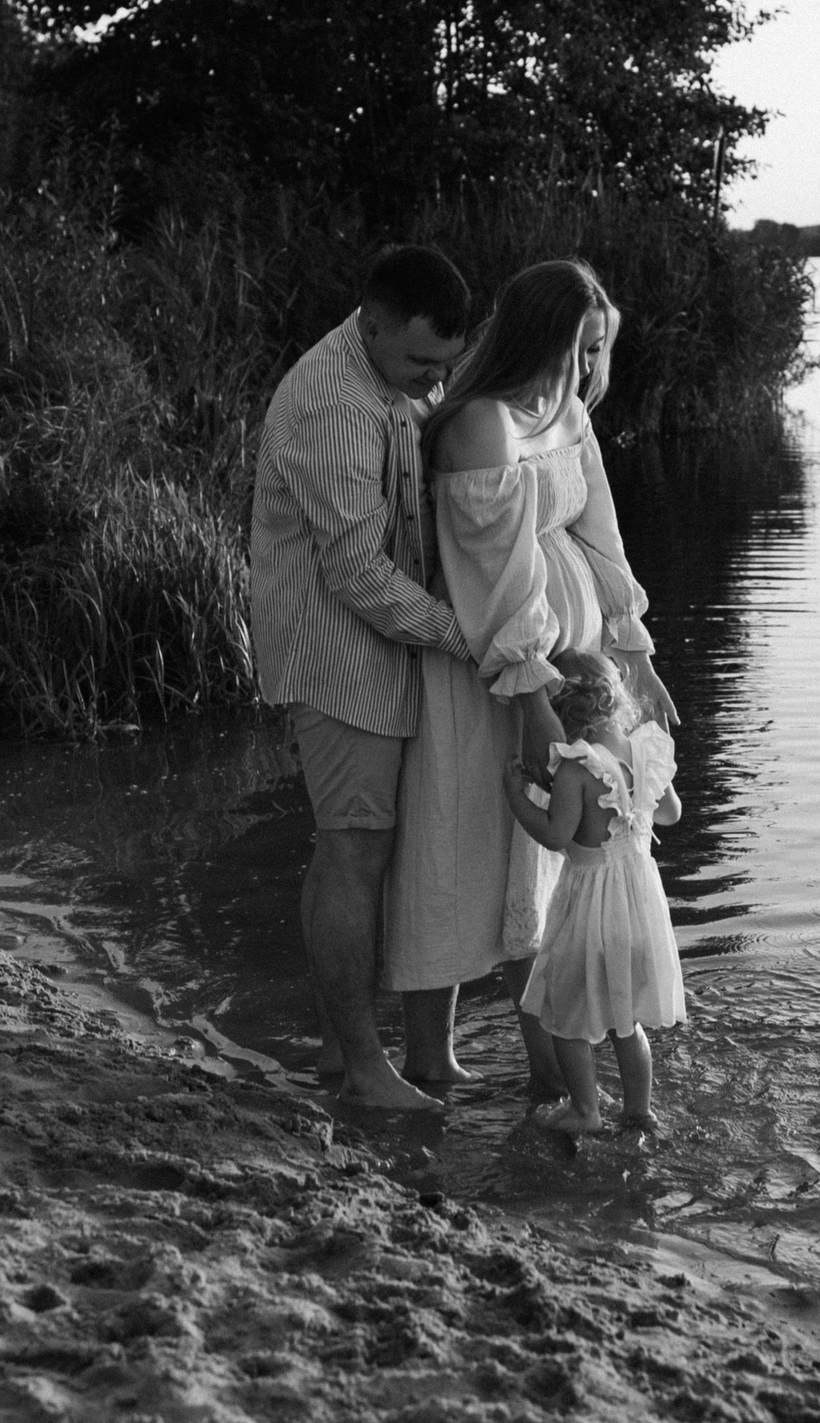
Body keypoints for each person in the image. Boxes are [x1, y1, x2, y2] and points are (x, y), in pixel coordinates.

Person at [380, 258, 678, 1097]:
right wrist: (532, 696)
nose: (586, 369)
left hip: (570, 682)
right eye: (577, 348)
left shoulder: (570, 415)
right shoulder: (483, 425)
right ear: (536, 335)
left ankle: (554, 1076)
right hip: (498, 681)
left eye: (597, 350)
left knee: (554, 872)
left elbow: (600, 539)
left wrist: (637, 659)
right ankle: (431, 1057)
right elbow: (499, 578)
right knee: (456, 850)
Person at [249, 245, 474, 1110]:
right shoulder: (333, 404)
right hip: (339, 657)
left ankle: (407, 1056)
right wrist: (467, 634)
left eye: (445, 365)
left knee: (404, 844)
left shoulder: (397, 378)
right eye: (420, 361)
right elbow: (357, 575)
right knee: (353, 847)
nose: (434, 382)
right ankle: (361, 1067)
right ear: (371, 323)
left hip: (400, 648)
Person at [502, 647, 685, 1134]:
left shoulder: (576, 768)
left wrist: (518, 798)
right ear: (615, 697)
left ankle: (585, 1110)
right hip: (640, 911)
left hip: (591, 913)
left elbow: (557, 836)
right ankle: (639, 1111)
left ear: (561, 711)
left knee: (564, 1016)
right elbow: (671, 815)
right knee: (626, 1022)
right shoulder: (645, 752)